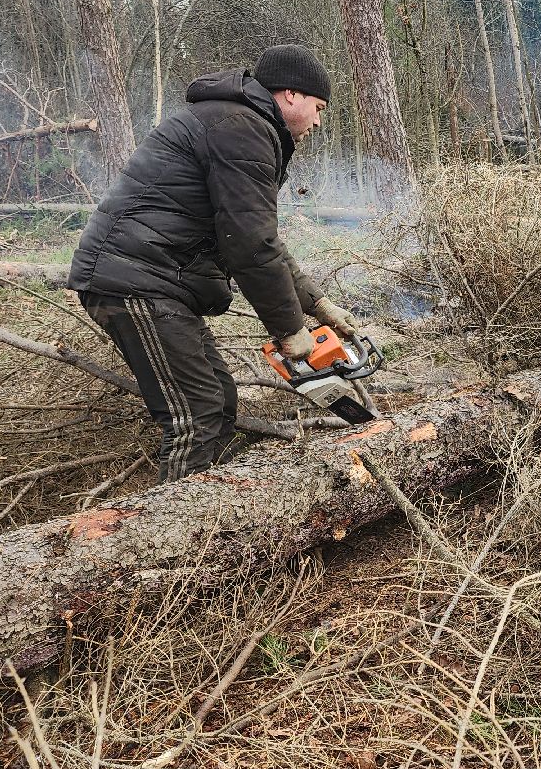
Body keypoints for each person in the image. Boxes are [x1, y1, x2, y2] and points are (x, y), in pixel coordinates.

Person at [68, 44, 359, 482]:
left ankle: (212, 503)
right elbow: (250, 245)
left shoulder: (239, 122)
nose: (318, 122)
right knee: (197, 414)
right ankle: (177, 522)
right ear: (291, 94)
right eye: (318, 108)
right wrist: (289, 330)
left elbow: (260, 239)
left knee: (220, 400)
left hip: (155, 277)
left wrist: (317, 305)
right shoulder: (242, 128)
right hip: (135, 279)